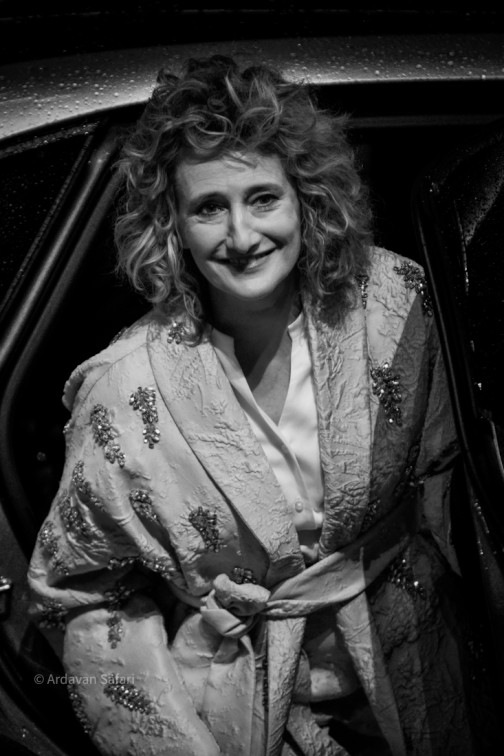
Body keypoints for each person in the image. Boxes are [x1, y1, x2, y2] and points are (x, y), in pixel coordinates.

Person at [28, 55, 488, 756]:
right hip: (242, 700)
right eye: (209, 207)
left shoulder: (395, 306)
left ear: (307, 196)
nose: (242, 237)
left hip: (421, 667)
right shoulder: (122, 389)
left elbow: (464, 483)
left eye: (263, 198)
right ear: (173, 225)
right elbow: (80, 593)